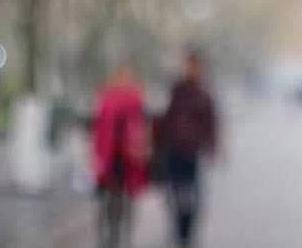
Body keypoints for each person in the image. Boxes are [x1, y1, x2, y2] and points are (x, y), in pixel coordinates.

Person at [160, 48, 219, 248]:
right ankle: (179, 232)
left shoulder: (204, 93)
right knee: (175, 196)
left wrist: (212, 146)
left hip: (192, 153)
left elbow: (211, 122)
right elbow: (166, 118)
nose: (190, 69)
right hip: (174, 150)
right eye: (188, 65)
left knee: (192, 198)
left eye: (194, 65)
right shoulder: (177, 90)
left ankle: (187, 235)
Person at [91, 64, 149, 248]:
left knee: (126, 199)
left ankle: (122, 236)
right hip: (110, 155)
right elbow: (99, 127)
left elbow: (141, 127)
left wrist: (141, 149)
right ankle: (110, 235)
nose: (123, 80)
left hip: (129, 156)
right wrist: (96, 155)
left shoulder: (136, 99)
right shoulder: (106, 98)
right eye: (120, 76)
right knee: (109, 199)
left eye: (126, 76)